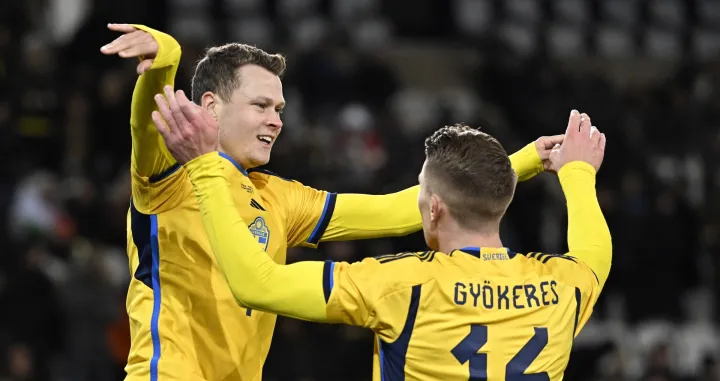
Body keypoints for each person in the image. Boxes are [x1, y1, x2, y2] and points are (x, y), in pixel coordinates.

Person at [100, 24, 564, 380]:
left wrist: (524, 161)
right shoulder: (173, 174)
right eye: (261, 106)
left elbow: (401, 210)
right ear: (211, 107)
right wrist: (165, 59)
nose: (276, 121)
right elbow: (148, 124)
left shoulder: (280, 198)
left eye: (279, 110)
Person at [157, 104, 610, 380]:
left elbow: (256, 285)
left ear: (433, 208)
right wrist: (577, 173)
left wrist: (203, 168)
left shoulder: (402, 285)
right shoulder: (562, 286)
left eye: (420, 193)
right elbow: (593, 253)